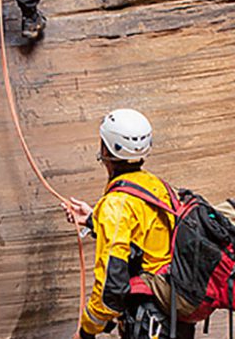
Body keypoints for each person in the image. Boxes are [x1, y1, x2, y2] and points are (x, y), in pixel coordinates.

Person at [63, 109, 195, 339]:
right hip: (174, 313)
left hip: (149, 323)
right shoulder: (156, 186)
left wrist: (86, 330)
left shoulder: (115, 204)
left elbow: (110, 290)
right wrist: (95, 220)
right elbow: (146, 234)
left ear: (106, 149)